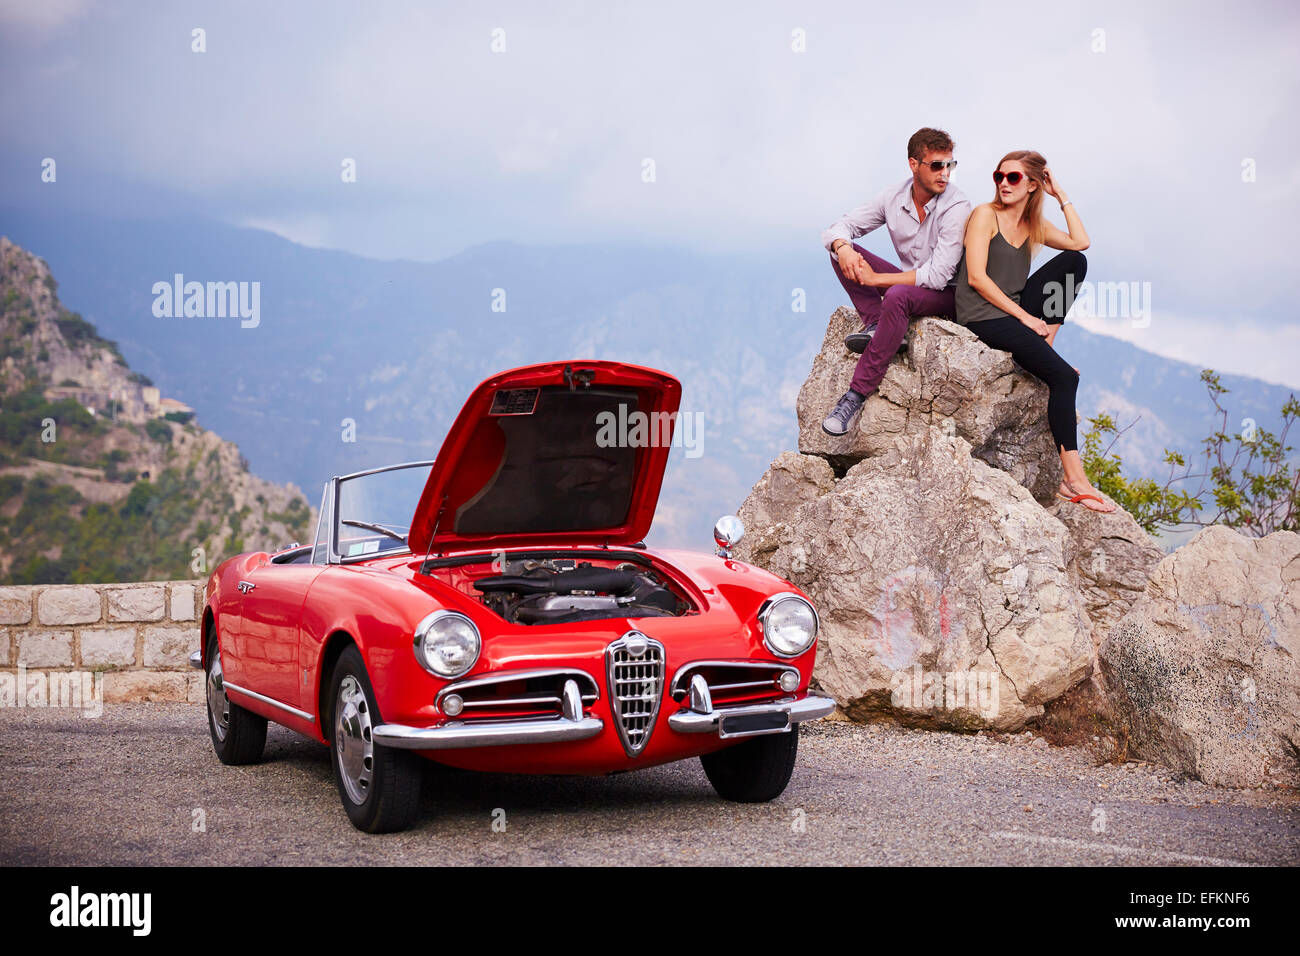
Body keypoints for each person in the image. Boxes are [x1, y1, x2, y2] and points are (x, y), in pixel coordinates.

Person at [953, 149, 1115, 513]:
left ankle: (1046, 348)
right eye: (999, 176)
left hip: (1013, 312)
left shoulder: (1033, 224)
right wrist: (1025, 320)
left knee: (1075, 262)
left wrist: (1061, 197)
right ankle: (1073, 478)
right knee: (1063, 379)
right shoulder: (985, 215)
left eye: (1013, 178)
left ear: (1032, 185)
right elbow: (977, 278)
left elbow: (1080, 242)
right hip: (982, 314)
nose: (1004, 184)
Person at [820, 127, 972, 436]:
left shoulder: (957, 206)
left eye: (950, 165)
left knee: (898, 296)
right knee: (841, 254)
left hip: (948, 296)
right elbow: (840, 226)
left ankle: (855, 396)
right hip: (906, 287)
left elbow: (938, 275)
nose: (945, 174)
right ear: (914, 165)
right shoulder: (893, 196)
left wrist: (877, 279)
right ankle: (878, 323)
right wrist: (844, 247)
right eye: (937, 165)